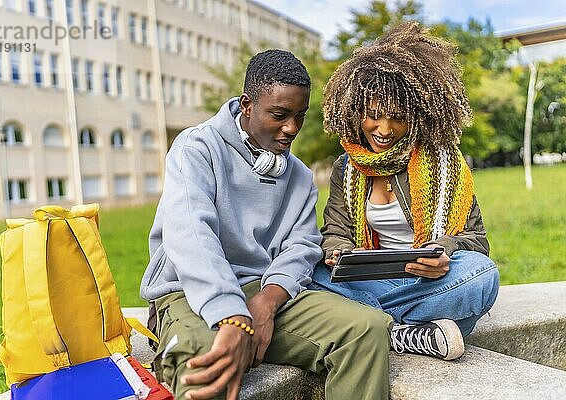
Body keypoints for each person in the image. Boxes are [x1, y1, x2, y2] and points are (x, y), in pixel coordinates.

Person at [140, 49, 393, 400]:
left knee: (366, 328)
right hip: (190, 290)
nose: (291, 128)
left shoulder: (301, 177)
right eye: (279, 114)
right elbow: (191, 236)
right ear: (247, 105)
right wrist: (232, 315)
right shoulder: (195, 149)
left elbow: (302, 246)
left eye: (299, 116)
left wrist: (267, 301)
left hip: (261, 292)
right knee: (207, 363)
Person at [309, 22, 500, 361]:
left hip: (429, 282)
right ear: (356, 112)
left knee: (482, 274)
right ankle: (413, 331)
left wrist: (444, 250)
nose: (383, 130)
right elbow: (335, 230)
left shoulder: (446, 164)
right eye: (374, 116)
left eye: (397, 118)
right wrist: (337, 250)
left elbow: (478, 241)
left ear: (416, 116)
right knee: (312, 272)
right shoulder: (346, 167)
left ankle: (376, 325)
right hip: (370, 281)